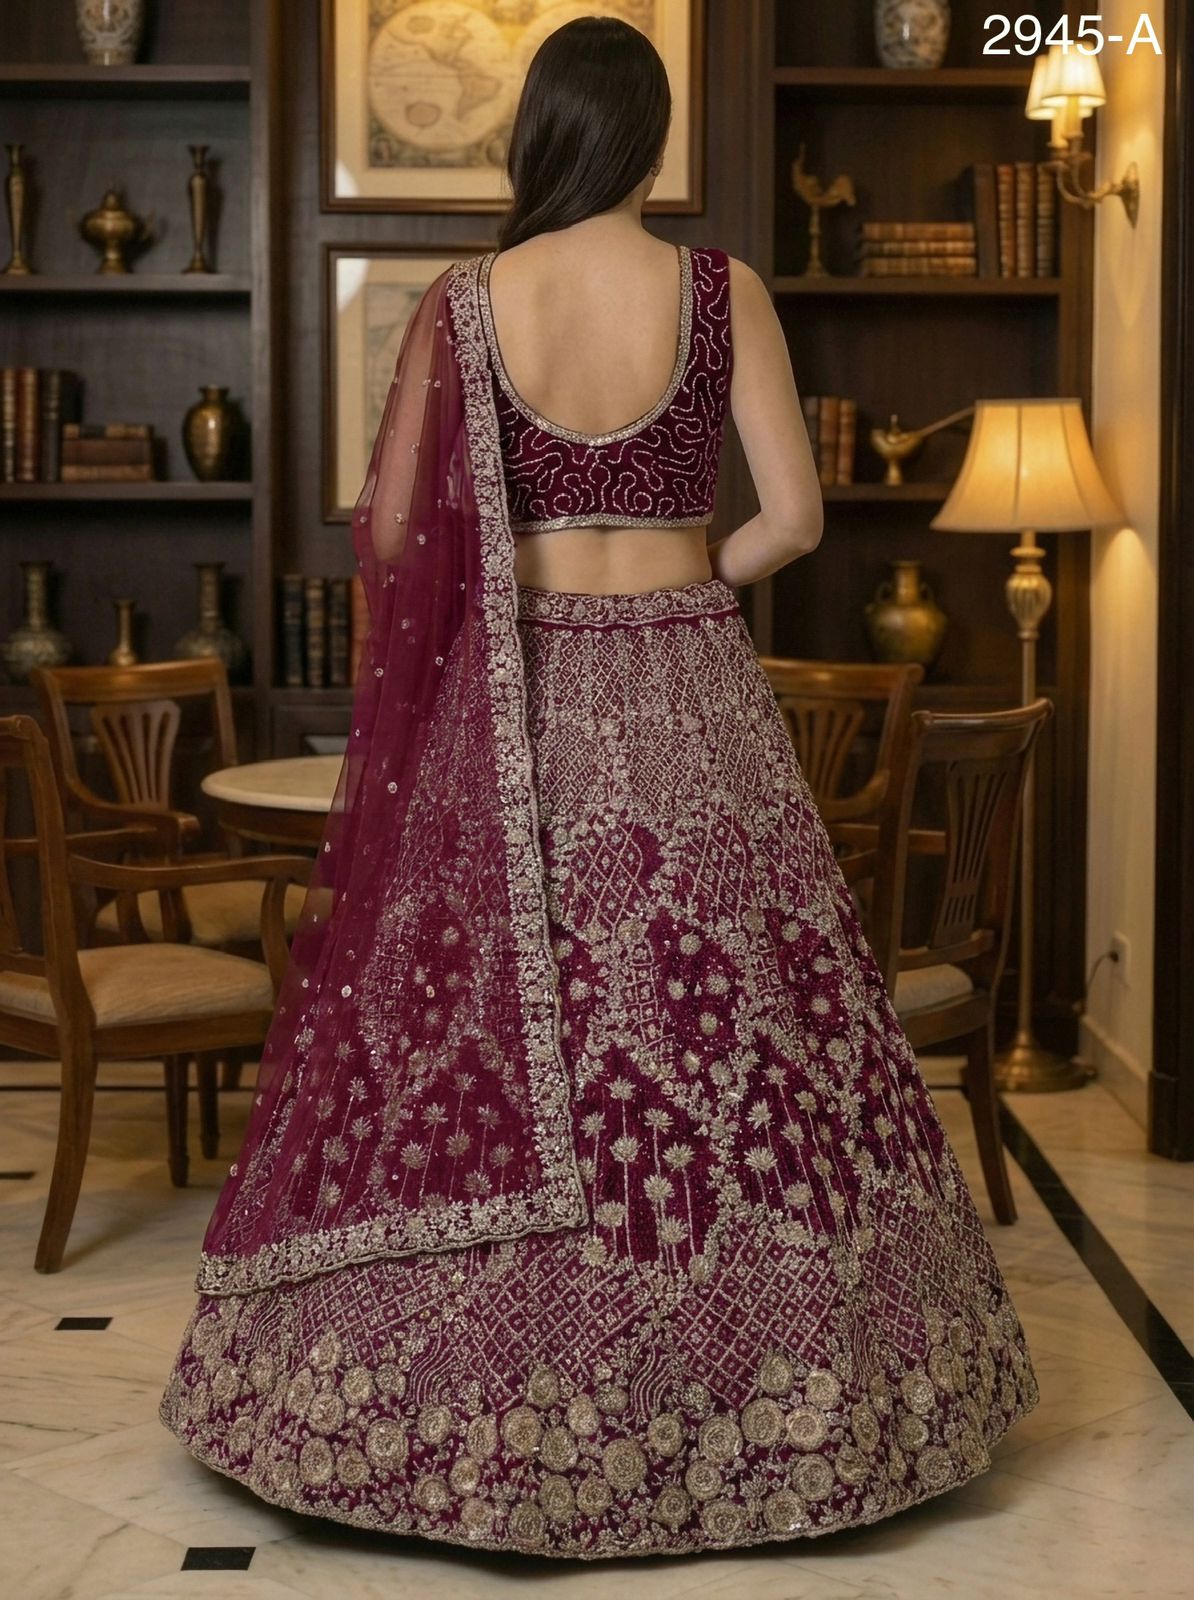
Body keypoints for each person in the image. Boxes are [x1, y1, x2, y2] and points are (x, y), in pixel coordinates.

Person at [160, 16, 1038, 1559]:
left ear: (541, 136)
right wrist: (692, 574)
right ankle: (796, 1390)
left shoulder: (466, 302)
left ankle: (445, 1400)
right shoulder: (720, 288)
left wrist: (496, 570)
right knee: (734, 1015)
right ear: (649, 136)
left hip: (525, 692)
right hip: (693, 680)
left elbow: (388, 537)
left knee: (494, 1015)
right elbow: (795, 518)